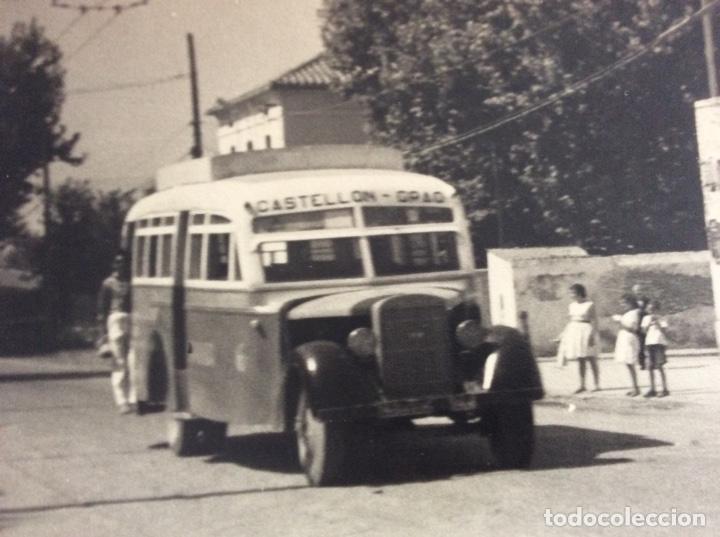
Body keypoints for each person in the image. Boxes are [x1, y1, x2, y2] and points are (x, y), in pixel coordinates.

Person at [97, 252, 135, 414]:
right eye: (118, 262)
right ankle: (122, 401)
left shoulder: (133, 282)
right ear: (114, 265)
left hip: (133, 320)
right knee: (119, 362)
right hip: (115, 320)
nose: (121, 266)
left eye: (124, 262)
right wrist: (103, 334)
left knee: (134, 360)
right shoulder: (108, 283)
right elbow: (102, 310)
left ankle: (134, 398)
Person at [556, 283, 600, 394]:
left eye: (573, 293)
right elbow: (571, 321)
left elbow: (594, 321)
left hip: (586, 330)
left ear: (580, 293)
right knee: (580, 359)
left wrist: (592, 335)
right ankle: (582, 384)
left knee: (591, 358)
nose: (571, 295)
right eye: (570, 293)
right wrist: (563, 334)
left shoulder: (590, 304)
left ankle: (596, 384)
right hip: (575, 330)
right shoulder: (572, 305)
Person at [613, 294, 642, 397]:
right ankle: (634, 387)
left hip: (630, 338)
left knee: (630, 363)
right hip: (625, 338)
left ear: (630, 302)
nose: (622, 305)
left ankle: (636, 388)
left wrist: (620, 322)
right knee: (628, 364)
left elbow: (633, 329)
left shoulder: (635, 313)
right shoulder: (629, 313)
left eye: (624, 303)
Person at [640, 300, 670, 397]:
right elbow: (644, 332)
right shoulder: (645, 318)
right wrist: (649, 323)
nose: (651, 311)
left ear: (657, 309)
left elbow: (664, 331)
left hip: (659, 343)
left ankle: (664, 388)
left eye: (653, 309)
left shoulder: (662, 318)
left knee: (660, 365)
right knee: (650, 366)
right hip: (649, 343)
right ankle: (652, 388)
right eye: (649, 309)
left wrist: (657, 322)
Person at [632, 284, 650, 370]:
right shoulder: (632, 301)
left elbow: (649, 311)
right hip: (635, 324)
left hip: (645, 324)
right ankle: (640, 362)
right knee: (638, 345)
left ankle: (645, 362)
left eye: (639, 290)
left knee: (645, 344)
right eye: (636, 290)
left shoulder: (647, 300)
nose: (638, 292)